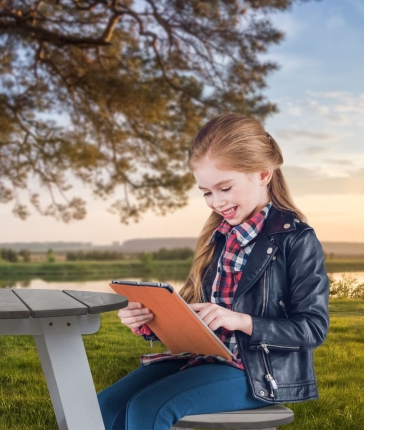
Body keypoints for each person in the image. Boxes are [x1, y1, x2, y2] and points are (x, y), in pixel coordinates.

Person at [97, 113, 330, 430]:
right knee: (103, 406)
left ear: (263, 174)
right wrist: (149, 320)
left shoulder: (297, 241)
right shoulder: (217, 238)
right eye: (206, 192)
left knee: (148, 408)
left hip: (257, 370)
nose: (216, 202)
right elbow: (194, 316)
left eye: (225, 188)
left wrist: (239, 320)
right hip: (201, 357)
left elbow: (312, 329)